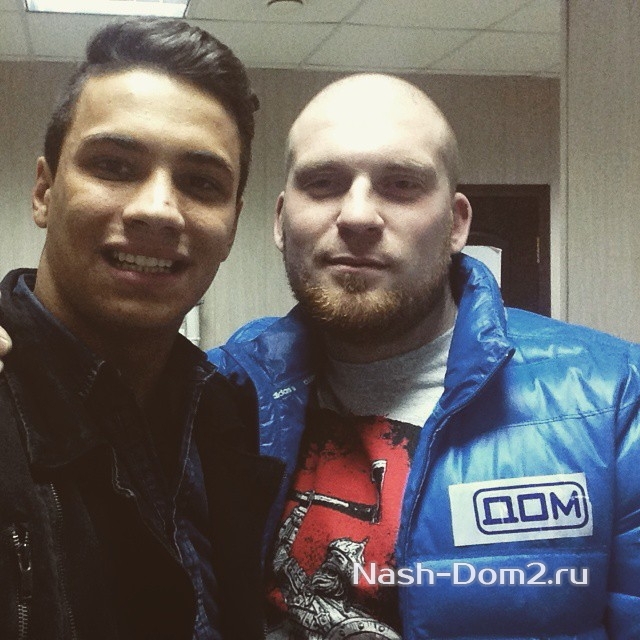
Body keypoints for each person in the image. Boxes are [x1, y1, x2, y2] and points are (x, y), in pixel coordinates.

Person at [205, 74, 640, 638]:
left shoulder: (614, 400)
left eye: (401, 185)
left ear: (457, 224)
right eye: (323, 183)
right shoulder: (220, 392)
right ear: (281, 220)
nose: (357, 216)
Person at [0, 17, 279, 640]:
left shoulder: (225, 411)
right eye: (114, 166)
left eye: (201, 183)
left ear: (232, 224)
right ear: (44, 191)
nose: (157, 209)